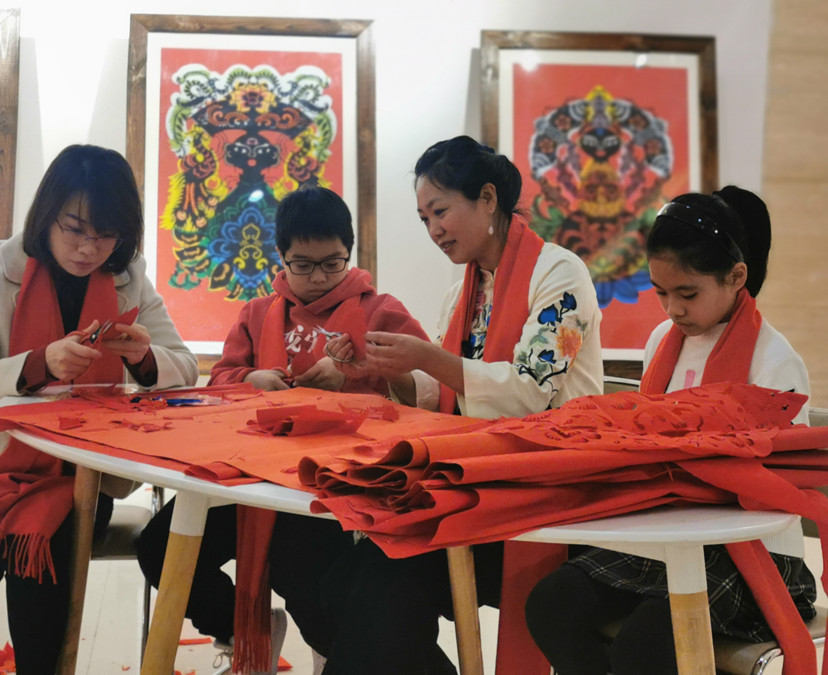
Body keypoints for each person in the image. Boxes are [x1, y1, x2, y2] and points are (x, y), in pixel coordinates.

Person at [281, 135, 604, 675]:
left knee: (375, 585)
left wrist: (429, 358)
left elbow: (533, 389)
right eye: (423, 218)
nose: (433, 230)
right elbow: (444, 398)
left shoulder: (560, 274)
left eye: (440, 211)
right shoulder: (464, 293)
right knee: (343, 577)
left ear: (487, 199)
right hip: (476, 481)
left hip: (549, 489)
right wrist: (386, 371)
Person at [134, 186, 429, 673]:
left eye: (332, 263)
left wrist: (356, 378)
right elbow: (219, 383)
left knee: (305, 579)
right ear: (281, 256)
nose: (319, 278)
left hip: (331, 488)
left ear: (350, 252)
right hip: (250, 483)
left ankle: (344, 657)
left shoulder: (380, 311)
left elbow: (426, 392)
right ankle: (244, 630)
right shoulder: (258, 314)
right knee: (159, 547)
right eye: (303, 265)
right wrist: (252, 380)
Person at [0, 144, 198, 675]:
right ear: (47, 213)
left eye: (106, 234)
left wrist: (143, 358)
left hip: (78, 479)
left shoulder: (128, 277)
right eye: (74, 228)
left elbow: (185, 367)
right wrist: (39, 364)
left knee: (43, 587)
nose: (88, 248)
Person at [524, 186, 816, 675]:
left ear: (736, 277)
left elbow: (784, 488)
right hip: (666, 540)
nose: (673, 309)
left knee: (649, 639)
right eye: (661, 292)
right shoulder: (662, 340)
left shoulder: (775, 362)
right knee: (552, 603)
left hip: (753, 557)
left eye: (687, 294)